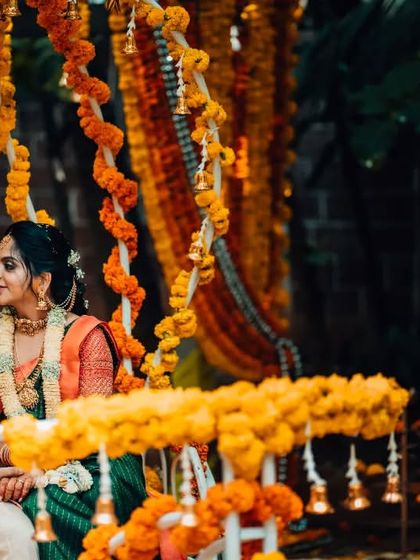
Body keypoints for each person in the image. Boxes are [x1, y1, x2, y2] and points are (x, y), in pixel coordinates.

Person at [0, 221, 148, 560]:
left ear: (43, 280)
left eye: (9, 265)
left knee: (43, 504)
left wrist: (37, 469)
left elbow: (90, 429)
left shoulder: (86, 335)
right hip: (12, 463)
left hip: (92, 465)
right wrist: (15, 462)